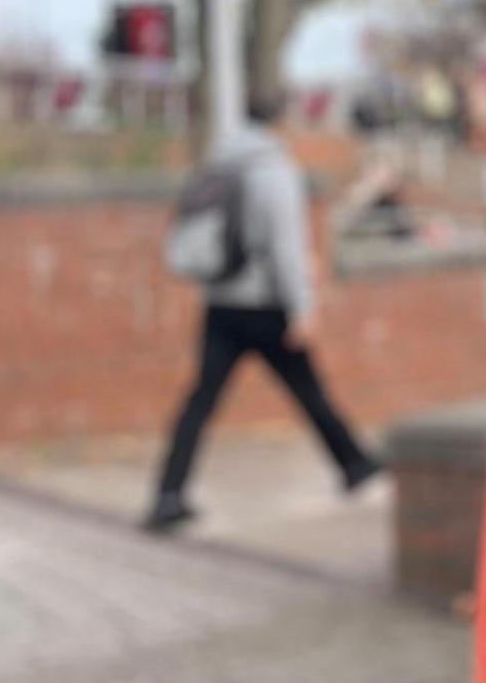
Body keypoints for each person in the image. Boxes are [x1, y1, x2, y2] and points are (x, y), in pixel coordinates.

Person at [143, 99, 382, 533]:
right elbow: (287, 248)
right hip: (266, 306)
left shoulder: (216, 165)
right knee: (309, 391)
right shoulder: (274, 172)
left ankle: (168, 493)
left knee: (200, 402)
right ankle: (355, 464)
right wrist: (302, 308)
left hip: (220, 305)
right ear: (278, 122)